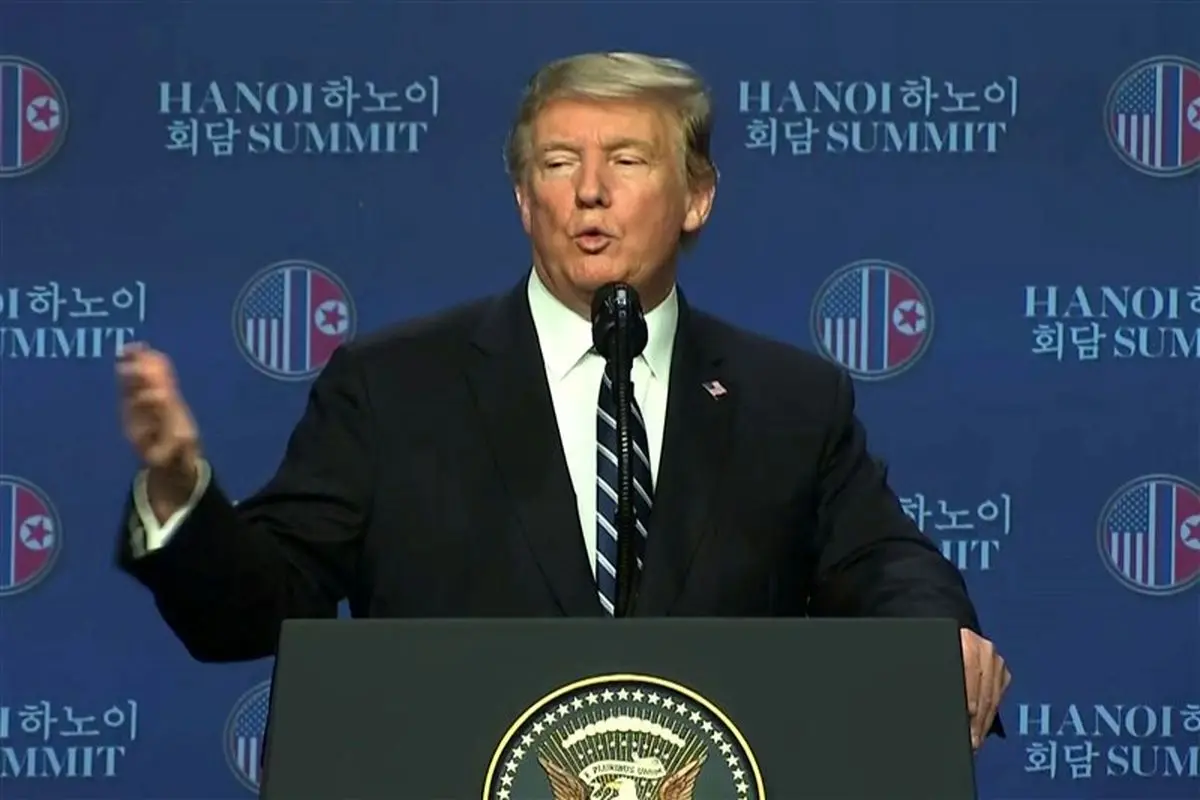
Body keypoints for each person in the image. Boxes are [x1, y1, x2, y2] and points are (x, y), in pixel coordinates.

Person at [115, 51, 1010, 749]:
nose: (589, 190)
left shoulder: (788, 399)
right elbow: (251, 610)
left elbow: (882, 562)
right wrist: (178, 491)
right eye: (558, 162)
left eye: (627, 159)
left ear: (697, 197)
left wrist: (937, 636)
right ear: (522, 197)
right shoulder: (393, 388)